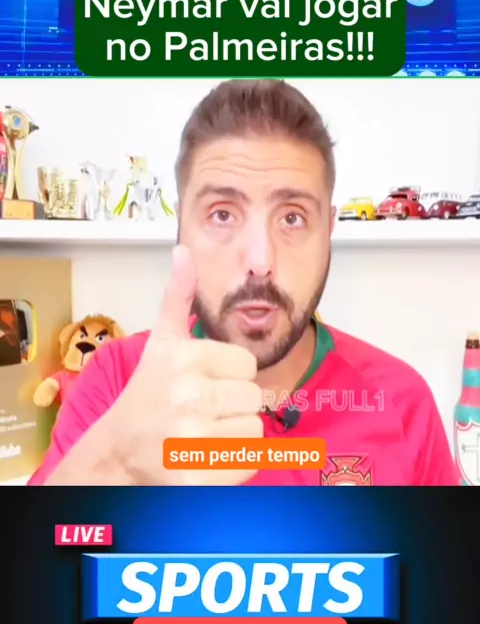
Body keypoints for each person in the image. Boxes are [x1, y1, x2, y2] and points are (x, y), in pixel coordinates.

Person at [28, 79, 460, 486]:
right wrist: (117, 460)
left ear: (329, 229)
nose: (260, 261)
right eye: (222, 214)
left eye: (292, 218)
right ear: (180, 225)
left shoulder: (401, 402)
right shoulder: (116, 380)